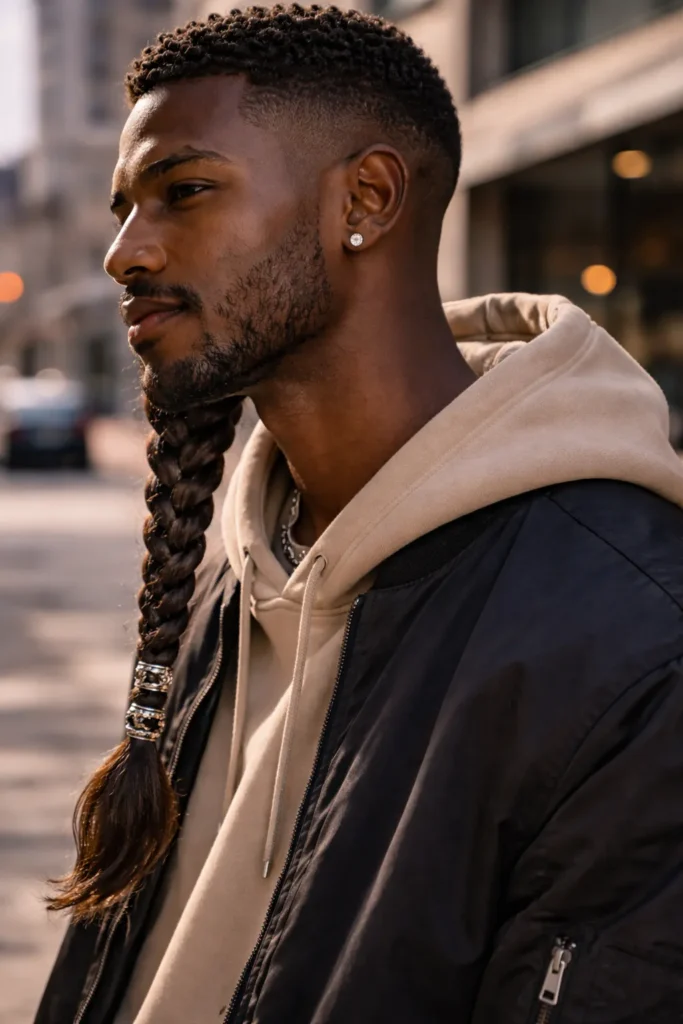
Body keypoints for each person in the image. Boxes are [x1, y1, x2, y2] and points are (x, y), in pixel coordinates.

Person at [36, 7, 683, 1024]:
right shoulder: (238, 581)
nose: (123, 251)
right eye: (124, 205)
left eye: (183, 191)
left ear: (366, 199)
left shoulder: (626, 641)